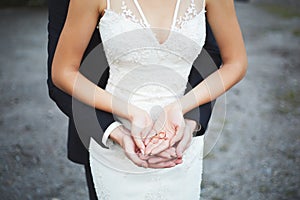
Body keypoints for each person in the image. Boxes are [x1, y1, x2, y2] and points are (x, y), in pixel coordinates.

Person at [47, 0, 245, 199]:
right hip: (115, 137)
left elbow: (231, 60)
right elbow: (62, 72)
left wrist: (185, 113)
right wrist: (120, 127)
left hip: (179, 136)